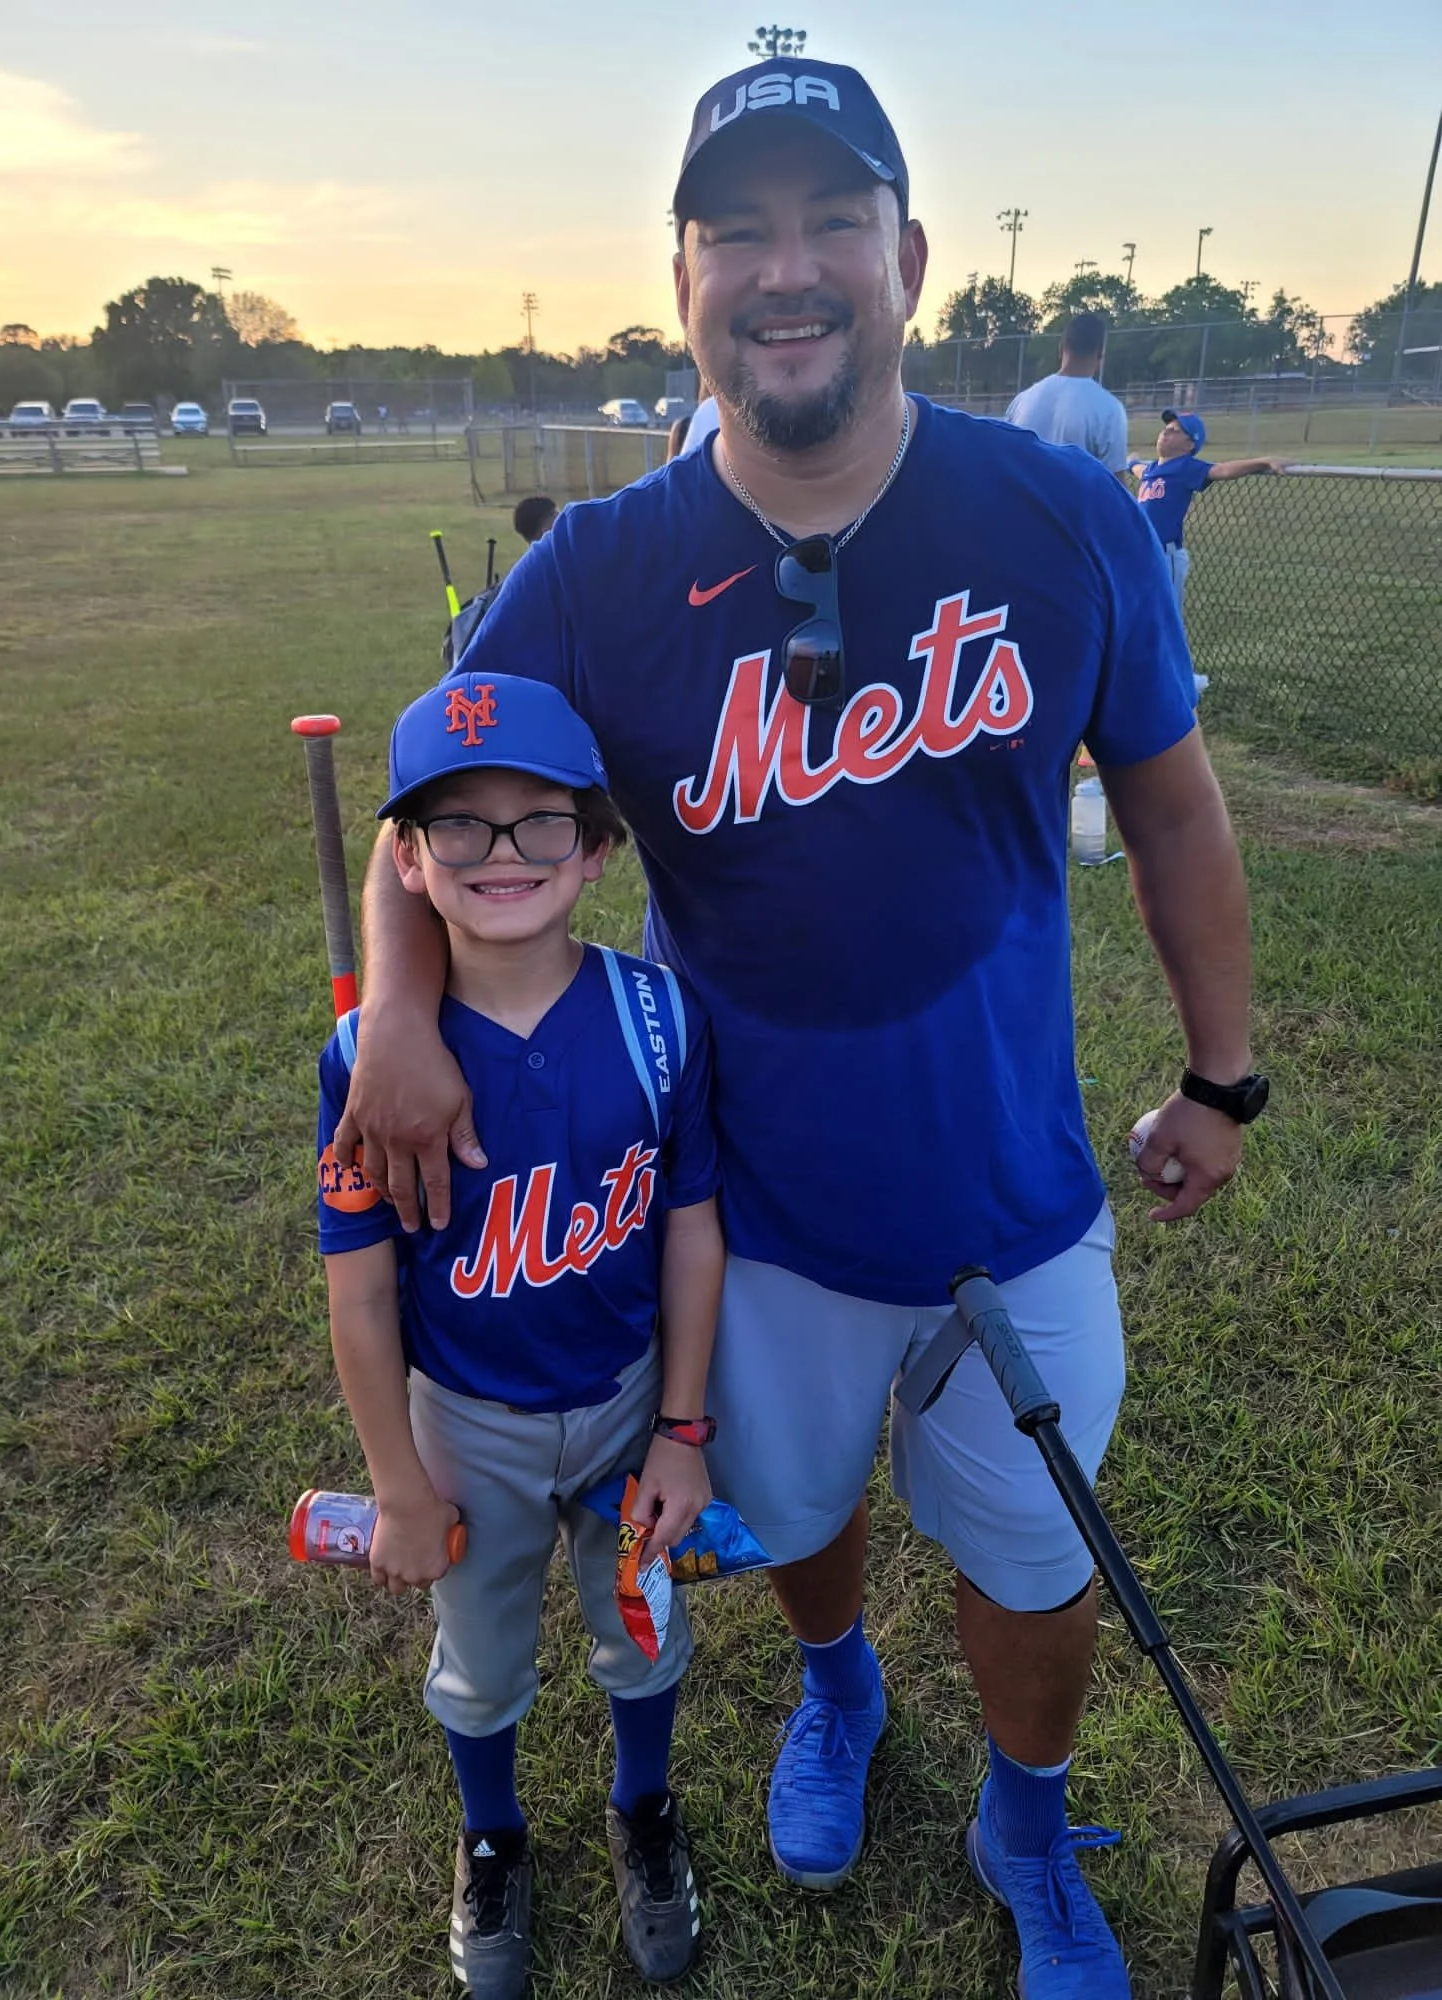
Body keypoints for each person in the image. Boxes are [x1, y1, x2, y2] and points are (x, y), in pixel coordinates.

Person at [336, 56, 1265, 2000]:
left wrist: (1220, 1067)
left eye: (831, 219)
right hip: (745, 1213)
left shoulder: (1057, 514)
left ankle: (1027, 1819)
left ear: (910, 258)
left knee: (1032, 1563)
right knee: (808, 1510)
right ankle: (837, 1694)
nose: (789, 267)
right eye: (738, 228)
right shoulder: (596, 576)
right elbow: (425, 809)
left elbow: (1171, 796)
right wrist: (402, 1013)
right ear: (681, 281)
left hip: (1017, 1195)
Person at [317, 673, 724, 1997]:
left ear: (597, 849)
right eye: (462, 829)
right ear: (414, 864)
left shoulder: (660, 1021)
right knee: (481, 1657)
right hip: (467, 1423)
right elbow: (364, 1283)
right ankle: (491, 1836)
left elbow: (690, 1231)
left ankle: (644, 1810)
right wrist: (394, 1482)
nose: (504, 857)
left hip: (625, 1401)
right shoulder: (368, 1059)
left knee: (642, 1625)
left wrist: (681, 1432)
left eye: (539, 824)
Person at [1130, 410, 1286, 615]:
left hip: (1166, 554)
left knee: (1168, 613)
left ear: (1189, 445)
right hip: (1144, 550)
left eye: (1175, 431)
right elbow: (1139, 470)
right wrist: (1131, 462)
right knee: (1143, 608)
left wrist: (1263, 461)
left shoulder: (1185, 467)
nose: (1165, 433)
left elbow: (1222, 470)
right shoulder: (1152, 469)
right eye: (1165, 428)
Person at [1005, 313, 1130, 481]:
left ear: (1061, 349)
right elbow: (1115, 486)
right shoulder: (1110, 409)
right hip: (1073, 506)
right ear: (1100, 354)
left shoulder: (1022, 401)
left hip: (1022, 504)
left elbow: (1006, 462)